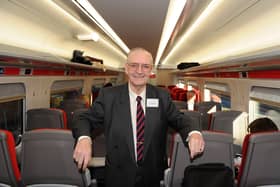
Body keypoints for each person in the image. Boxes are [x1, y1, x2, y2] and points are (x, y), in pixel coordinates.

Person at [72, 47, 205, 187]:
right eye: (134, 65)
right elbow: (82, 118)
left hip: (153, 173)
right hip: (118, 175)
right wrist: (84, 139)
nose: (139, 71)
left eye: (145, 66)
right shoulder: (109, 96)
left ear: (151, 70)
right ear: (126, 68)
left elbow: (180, 119)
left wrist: (194, 132)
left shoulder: (162, 96)